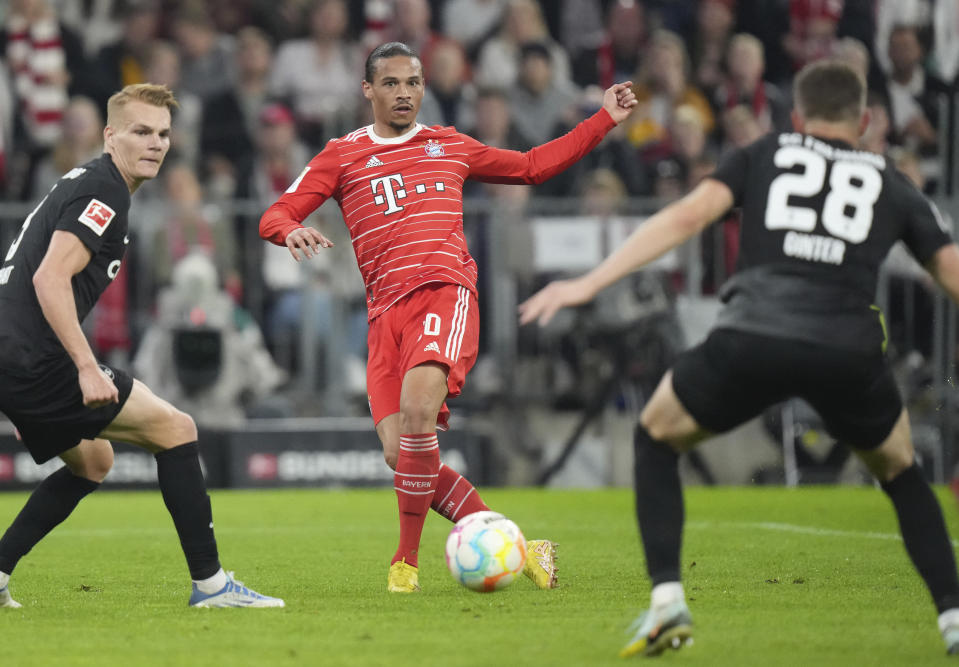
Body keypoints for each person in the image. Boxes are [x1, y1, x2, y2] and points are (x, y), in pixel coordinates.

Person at [519, 60, 959, 657]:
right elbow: (948, 269)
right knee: (903, 474)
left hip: (753, 336)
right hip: (846, 349)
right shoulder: (890, 178)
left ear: (797, 116)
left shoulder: (766, 151)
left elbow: (687, 215)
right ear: (866, 121)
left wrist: (587, 283)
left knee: (655, 436)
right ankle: (953, 618)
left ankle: (668, 603)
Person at [260, 41, 637, 593]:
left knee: (417, 409)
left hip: (443, 293)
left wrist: (604, 119)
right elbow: (277, 210)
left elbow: (532, 167)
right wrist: (287, 229)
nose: (404, 93)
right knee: (400, 453)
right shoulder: (341, 155)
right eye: (390, 83)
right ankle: (521, 546)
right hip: (384, 316)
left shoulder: (450, 145)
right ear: (368, 90)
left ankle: (404, 564)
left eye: (413, 82)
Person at [0, 83, 281, 609]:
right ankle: (212, 585)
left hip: (15, 355)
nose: (155, 143)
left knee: (94, 462)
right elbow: (48, 279)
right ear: (110, 136)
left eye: (164, 134)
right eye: (141, 131)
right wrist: (84, 367)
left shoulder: (92, 181)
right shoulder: (104, 188)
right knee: (176, 429)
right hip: (33, 355)